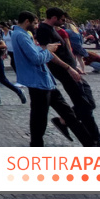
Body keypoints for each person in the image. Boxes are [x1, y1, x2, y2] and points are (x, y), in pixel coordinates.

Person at [11, 11, 93, 147]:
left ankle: (90, 144)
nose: (36, 26)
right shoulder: (21, 36)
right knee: (39, 119)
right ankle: (36, 147)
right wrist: (48, 50)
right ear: (27, 21)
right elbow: (36, 59)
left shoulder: (21, 34)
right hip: (38, 83)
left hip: (45, 82)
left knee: (67, 114)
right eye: (34, 23)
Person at [36, 8, 100, 146]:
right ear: (54, 18)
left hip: (71, 69)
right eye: (62, 19)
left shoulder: (52, 28)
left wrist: (74, 65)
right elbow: (49, 53)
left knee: (87, 104)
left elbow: (63, 51)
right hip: (65, 71)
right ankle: (95, 141)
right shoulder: (43, 30)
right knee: (84, 106)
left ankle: (63, 120)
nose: (64, 22)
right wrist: (68, 68)